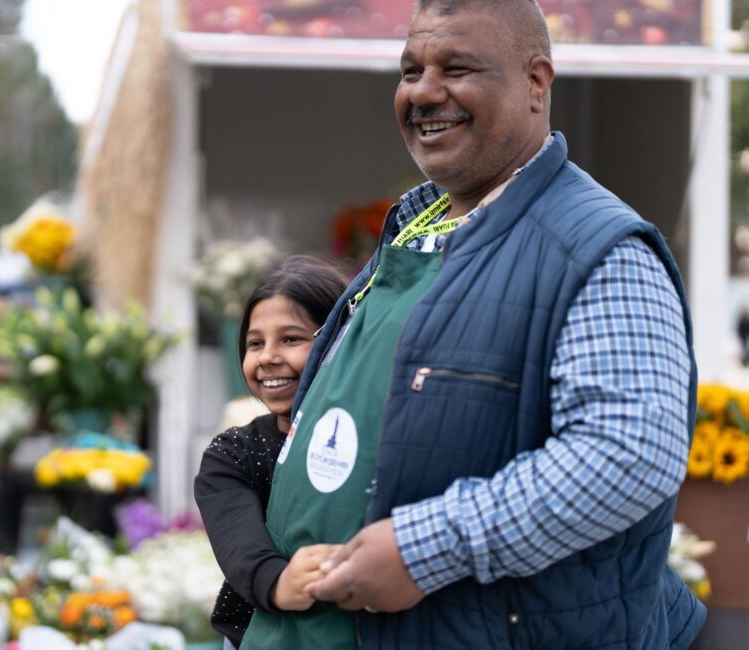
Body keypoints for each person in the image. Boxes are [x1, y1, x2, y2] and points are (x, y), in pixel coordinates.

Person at [242, 1, 706, 647]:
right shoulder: (419, 226)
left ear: (536, 84)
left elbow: (626, 455)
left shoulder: (598, 249)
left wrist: (421, 549)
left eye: (456, 68)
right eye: (410, 71)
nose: (424, 93)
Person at [194, 256, 349, 648]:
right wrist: (279, 583)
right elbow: (239, 546)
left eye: (291, 339)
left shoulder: (362, 441)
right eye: (255, 343)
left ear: (341, 341)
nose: (267, 358)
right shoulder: (233, 454)